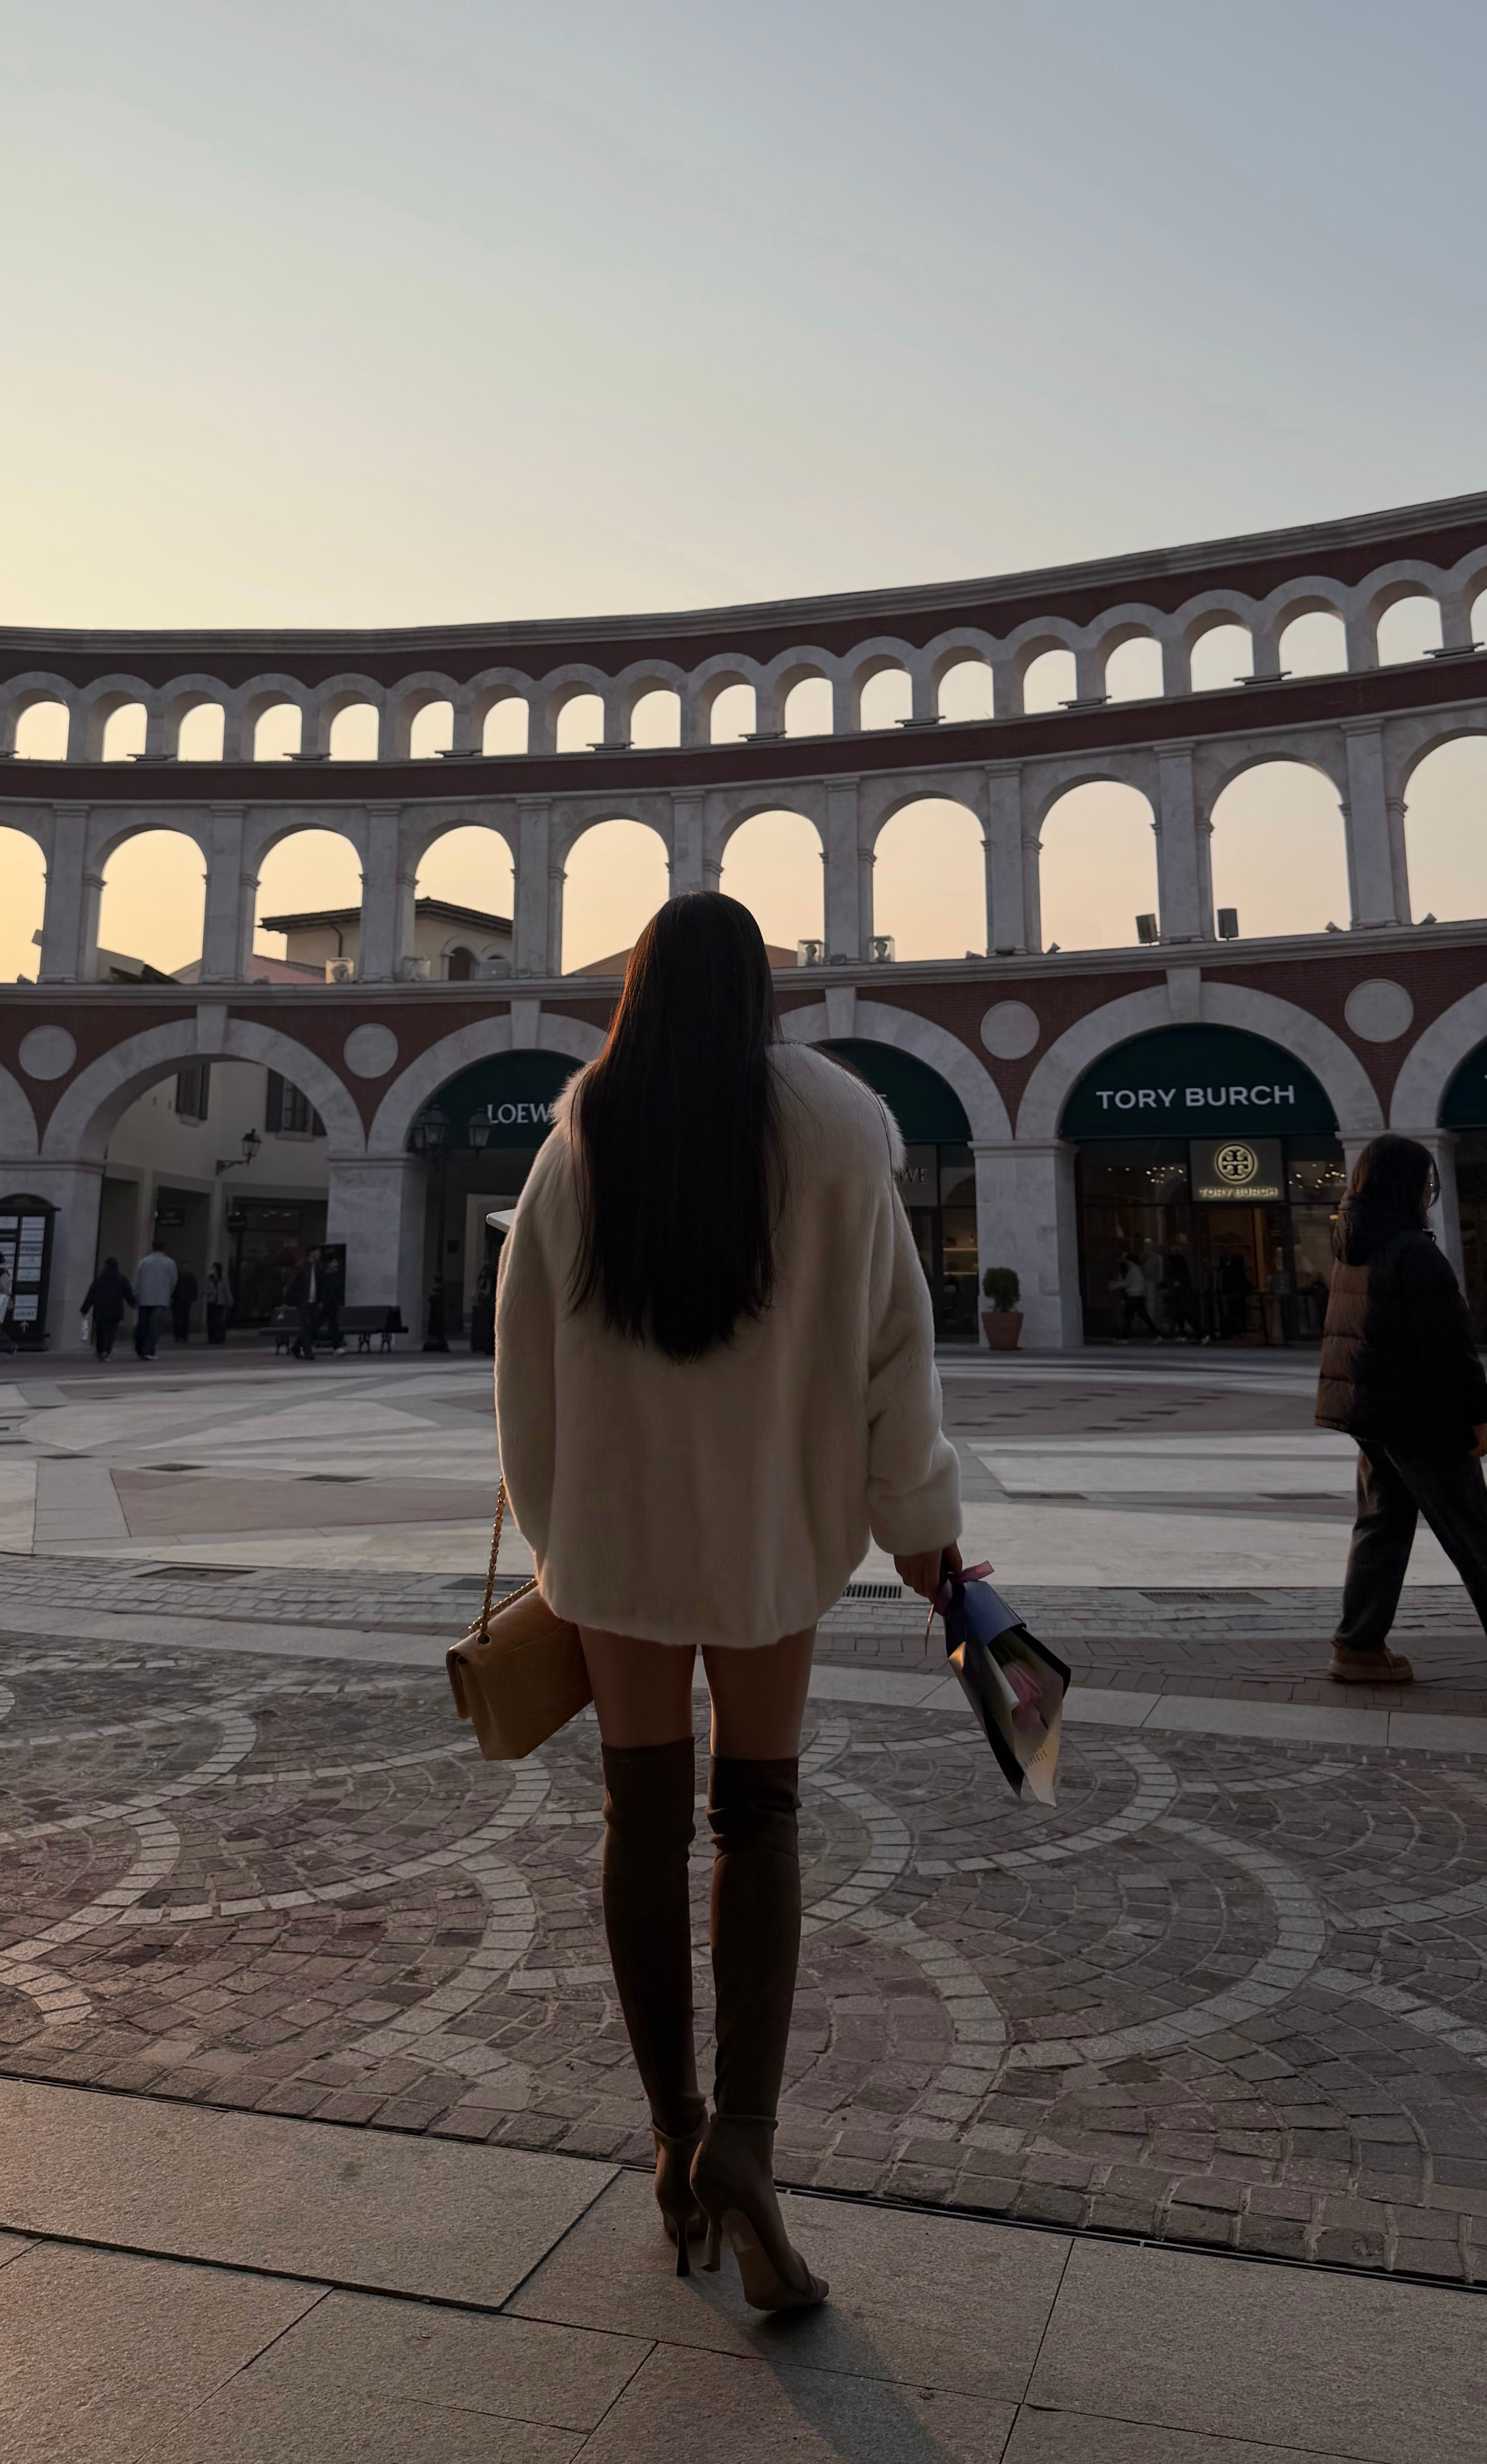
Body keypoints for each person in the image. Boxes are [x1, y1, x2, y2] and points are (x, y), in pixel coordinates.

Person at [495, 893, 960, 2315]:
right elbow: (897, 1351)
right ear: (764, 994)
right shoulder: (841, 1134)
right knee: (759, 1808)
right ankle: (748, 2141)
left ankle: (672, 2136)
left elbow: (519, 1364)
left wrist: (560, 1541)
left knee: (639, 1816)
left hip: (619, 1542)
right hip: (774, 1536)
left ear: (633, 991)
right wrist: (921, 1528)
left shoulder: (580, 1136)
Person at [1315, 1131, 1487, 1690]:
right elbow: (1447, 1347)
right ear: (1409, 1186)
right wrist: (1475, 1414)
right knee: (1469, 1528)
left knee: (1382, 1524)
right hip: (1420, 1415)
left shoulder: (1353, 1248)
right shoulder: (1412, 1250)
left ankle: (1358, 1646)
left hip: (1368, 1411)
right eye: (1425, 1181)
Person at [80, 1256, 133, 1362]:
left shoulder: (99, 1280)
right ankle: (107, 1351)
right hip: (116, 1311)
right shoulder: (122, 1279)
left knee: (101, 1332)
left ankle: (101, 1350)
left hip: (101, 1310)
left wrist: (85, 1309)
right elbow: (128, 1294)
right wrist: (134, 1303)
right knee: (111, 1333)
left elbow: (91, 1295)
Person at [132, 1241, 178, 1361]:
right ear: (164, 1248)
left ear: (152, 1247)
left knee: (143, 1325)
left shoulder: (144, 1262)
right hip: (161, 1299)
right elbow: (174, 1281)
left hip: (145, 1298)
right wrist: (170, 1293)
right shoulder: (170, 1263)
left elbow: (137, 1280)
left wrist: (136, 1295)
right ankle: (149, 1351)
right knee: (155, 1327)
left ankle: (140, 1348)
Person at [284, 1248, 318, 1359]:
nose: (319, 1254)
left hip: (314, 1301)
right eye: (318, 1252)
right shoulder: (302, 1267)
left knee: (311, 1326)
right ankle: (308, 1351)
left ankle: (296, 1347)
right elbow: (293, 1284)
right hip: (304, 1302)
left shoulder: (318, 1267)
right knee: (306, 1325)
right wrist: (292, 1300)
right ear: (312, 1252)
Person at [1115, 1251, 1157, 1339]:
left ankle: (1124, 1338)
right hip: (1137, 1297)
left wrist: (1115, 1285)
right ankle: (1156, 1334)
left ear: (1130, 1260)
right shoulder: (1135, 1270)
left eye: (1125, 1259)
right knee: (1139, 1317)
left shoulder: (1134, 1271)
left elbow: (1127, 1282)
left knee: (1131, 1317)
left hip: (1134, 1297)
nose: (1124, 1261)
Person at [316, 1245, 347, 1353]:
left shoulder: (323, 1267)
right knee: (329, 1324)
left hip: (328, 1301)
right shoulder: (332, 1266)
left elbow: (323, 1284)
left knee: (324, 1324)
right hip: (329, 1301)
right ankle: (336, 1346)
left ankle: (337, 1346)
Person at [204, 1261, 234, 1345]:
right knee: (211, 1321)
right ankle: (212, 1338)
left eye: (214, 1268)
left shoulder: (223, 1277)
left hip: (220, 1302)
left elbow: (227, 1290)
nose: (212, 1270)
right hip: (211, 1301)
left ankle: (219, 1337)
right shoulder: (210, 1278)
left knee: (219, 1321)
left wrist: (230, 1301)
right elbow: (205, 1290)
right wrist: (211, 1292)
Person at [171, 1262, 199, 1346]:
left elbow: (195, 1288)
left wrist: (194, 1297)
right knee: (177, 1319)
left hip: (187, 1301)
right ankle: (177, 1335)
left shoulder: (192, 1277)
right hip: (177, 1300)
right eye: (184, 1267)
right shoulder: (177, 1277)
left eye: (187, 1267)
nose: (185, 1269)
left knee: (185, 1319)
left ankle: (185, 1336)